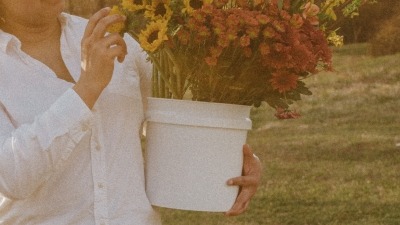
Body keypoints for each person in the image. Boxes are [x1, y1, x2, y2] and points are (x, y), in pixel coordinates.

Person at [0, 1, 262, 224]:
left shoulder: (110, 37)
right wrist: (87, 88)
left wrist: (230, 161)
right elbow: (11, 177)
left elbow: (174, 119)